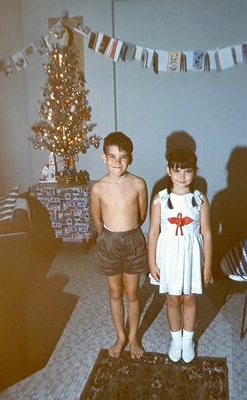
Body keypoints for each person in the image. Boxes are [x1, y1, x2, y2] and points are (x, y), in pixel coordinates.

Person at [148, 148, 213, 363]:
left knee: (190, 298)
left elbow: (207, 232)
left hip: (192, 257)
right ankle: (176, 340)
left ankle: (188, 340)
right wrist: (152, 262)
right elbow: (154, 231)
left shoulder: (199, 199)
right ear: (168, 171)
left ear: (195, 172)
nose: (181, 176)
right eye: (176, 171)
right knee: (173, 299)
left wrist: (208, 265)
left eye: (187, 171)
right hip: (169, 257)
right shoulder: (160, 198)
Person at [91, 131, 148, 359]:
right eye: (112, 156)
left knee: (132, 293)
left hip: (134, 241)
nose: (117, 162)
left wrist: (128, 232)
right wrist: (106, 238)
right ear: (103, 157)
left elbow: (141, 215)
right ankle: (120, 336)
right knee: (116, 292)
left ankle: (133, 336)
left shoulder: (138, 184)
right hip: (109, 243)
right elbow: (97, 219)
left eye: (123, 157)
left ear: (130, 158)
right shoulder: (98, 188)